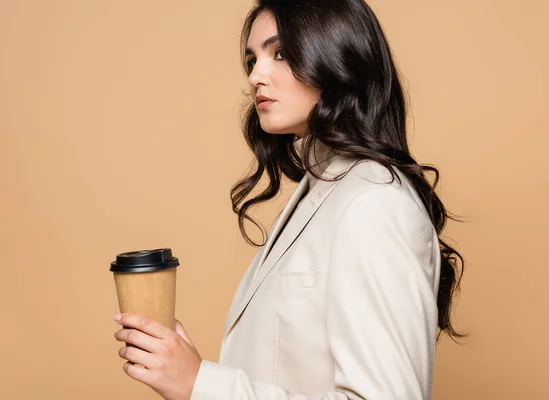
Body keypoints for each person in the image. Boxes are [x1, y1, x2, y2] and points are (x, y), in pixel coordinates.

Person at [113, 1, 466, 399]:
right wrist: (186, 370)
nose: (255, 75)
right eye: (252, 59)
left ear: (337, 57)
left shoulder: (373, 203)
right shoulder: (323, 191)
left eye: (279, 53)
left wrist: (201, 384)